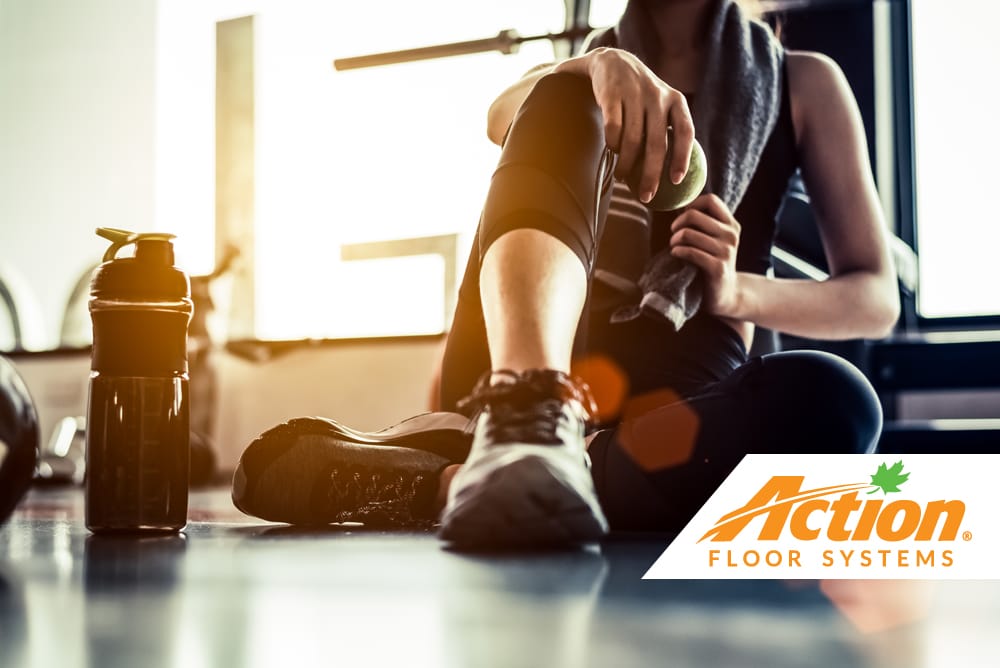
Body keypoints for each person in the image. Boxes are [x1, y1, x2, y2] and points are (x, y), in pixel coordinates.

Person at [231, 0, 899, 547]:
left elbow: (873, 297)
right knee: (560, 93)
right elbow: (500, 115)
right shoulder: (577, 75)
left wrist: (734, 290)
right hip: (522, 364)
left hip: (675, 410)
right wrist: (596, 65)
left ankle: (452, 480)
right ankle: (529, 422)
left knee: (834, 404)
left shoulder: (803, 80)